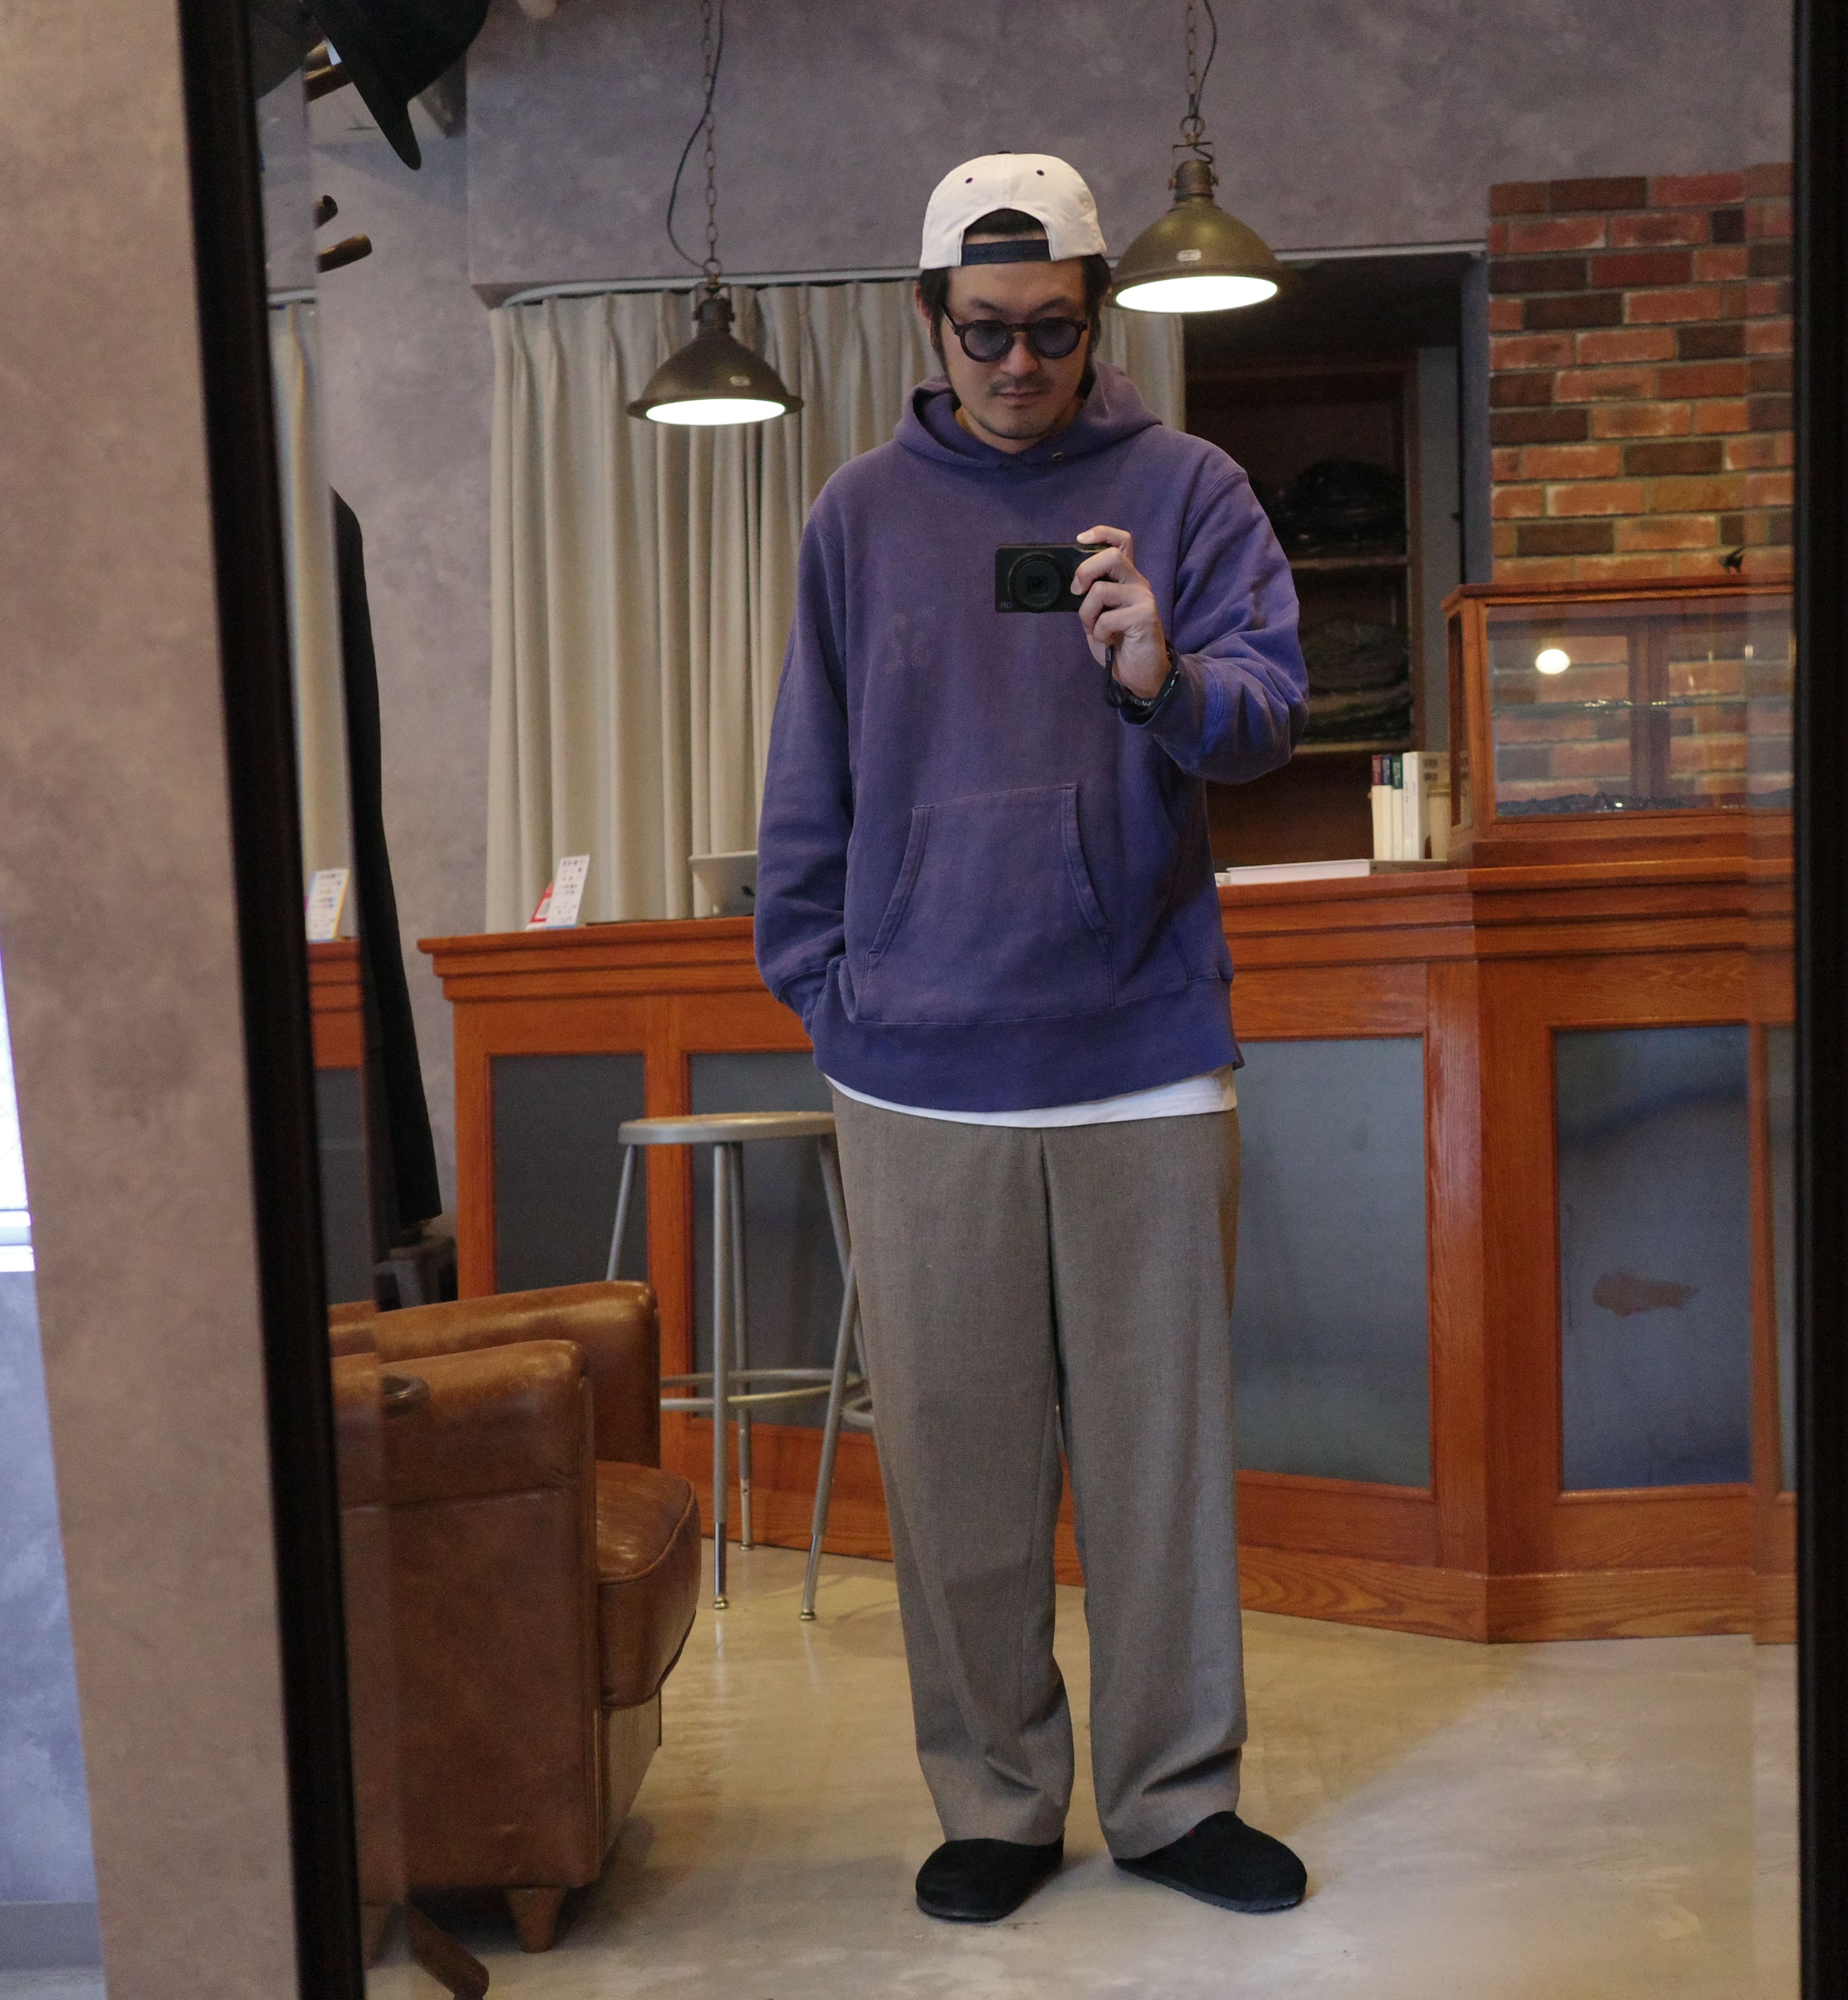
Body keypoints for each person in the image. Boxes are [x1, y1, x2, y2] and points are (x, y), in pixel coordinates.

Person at [754, 152, 1309, 1925]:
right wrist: (827, 981)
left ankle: (1174, 1800)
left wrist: (1164, 677)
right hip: (916, 1068)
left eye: (1053, 330)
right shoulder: (858, 516)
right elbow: (811, 772)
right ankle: (996, 1802)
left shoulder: (1188, 488)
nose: (1017, 365)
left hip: (1144, 1052)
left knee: (1162, 1463)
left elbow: (1270, 718)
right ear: (930, 319)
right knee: (958, 1466)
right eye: (984, 330)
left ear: (1096, 316)